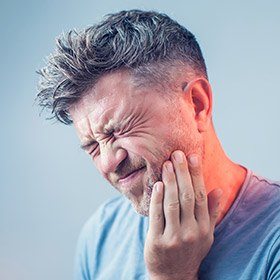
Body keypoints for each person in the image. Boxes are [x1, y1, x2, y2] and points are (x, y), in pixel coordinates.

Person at [36, 9, 280, 280]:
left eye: (118, 130)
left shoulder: (273, 240)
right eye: (92, 146)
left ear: (197, 105)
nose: (107, 162)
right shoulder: (100, 236)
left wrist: (172, 275)